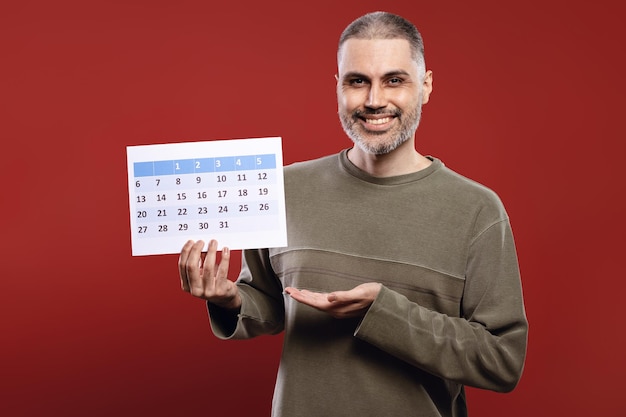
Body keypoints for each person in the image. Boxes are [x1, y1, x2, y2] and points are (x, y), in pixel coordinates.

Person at [178, 11, 528, 417]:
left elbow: (503, 361)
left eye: (394, 80)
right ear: (338, 87)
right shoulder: (283, 187)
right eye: (357, 81)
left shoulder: (478, 210)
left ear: (426, 85)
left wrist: (385, 313)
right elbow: (271, 305)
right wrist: (230, 298)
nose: (374, 99)